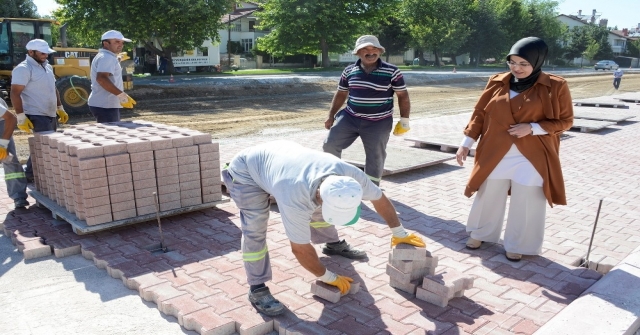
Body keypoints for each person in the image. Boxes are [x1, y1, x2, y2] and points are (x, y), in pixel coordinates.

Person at [222, 140, 425, 316]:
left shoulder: (351, 177)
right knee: (255, 229)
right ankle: (257, 287)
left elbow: (379, 199)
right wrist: (327, 276)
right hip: (245, 172)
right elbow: (299, 248)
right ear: (320, 194)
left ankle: (332, 245)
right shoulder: (294, 197)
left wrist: (399, 233)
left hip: (283, 159)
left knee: (318, 212)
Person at [455, 37, 573, 262]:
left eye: (524, 64)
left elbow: (566, 121)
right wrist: (466, 144)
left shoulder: (556, 86)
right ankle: (481, 233)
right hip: (495, 151)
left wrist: (533, 128)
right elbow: (479, 113)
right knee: (488, 194)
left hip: (532, 155)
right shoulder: (497, 81)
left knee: (528, 199)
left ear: (537, 62)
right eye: (513, 62)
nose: (517, 68)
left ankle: (518, 244)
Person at [323, 35, 411, 187]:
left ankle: (371, 188)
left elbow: (403, 96)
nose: (370, 52)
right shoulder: (349, 71)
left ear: (380, 51)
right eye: (365, 49)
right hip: (350, 117)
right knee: (329, 145)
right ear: (358, 53)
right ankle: (335, 180)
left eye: (374, 48)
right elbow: (341, 94)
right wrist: (331, 116)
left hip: (379, 121)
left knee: (375, 155)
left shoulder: (392, 72)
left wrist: (404, 121)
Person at [10, 39, 69, 184]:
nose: (46, 55)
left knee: (43, 146)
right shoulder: (23, 69)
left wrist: (60, 108)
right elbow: (15, 93)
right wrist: (21, 116)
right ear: (31, 52)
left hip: (49, 112)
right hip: (36, 114)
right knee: (42, 147)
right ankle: (31, 174)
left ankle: (31, 173)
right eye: (42, 53)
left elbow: (53, 88)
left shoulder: (46, 66)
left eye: (47, 53)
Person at [88, 30, 136, 123]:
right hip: (106, 104)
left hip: (104, 103)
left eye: (122, 42)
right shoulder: (107, 57)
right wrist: (122, 95)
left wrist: (118, 58)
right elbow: (101, 79)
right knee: (109, 134)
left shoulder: (106, 56)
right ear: (106, 43)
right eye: (117, 42)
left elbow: (108, 72)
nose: (121, 45)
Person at [0, 99, 28, 208]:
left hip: (2, 121)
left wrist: (3, 144)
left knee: (8, 158)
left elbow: (11, 118)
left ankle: (18, 195)